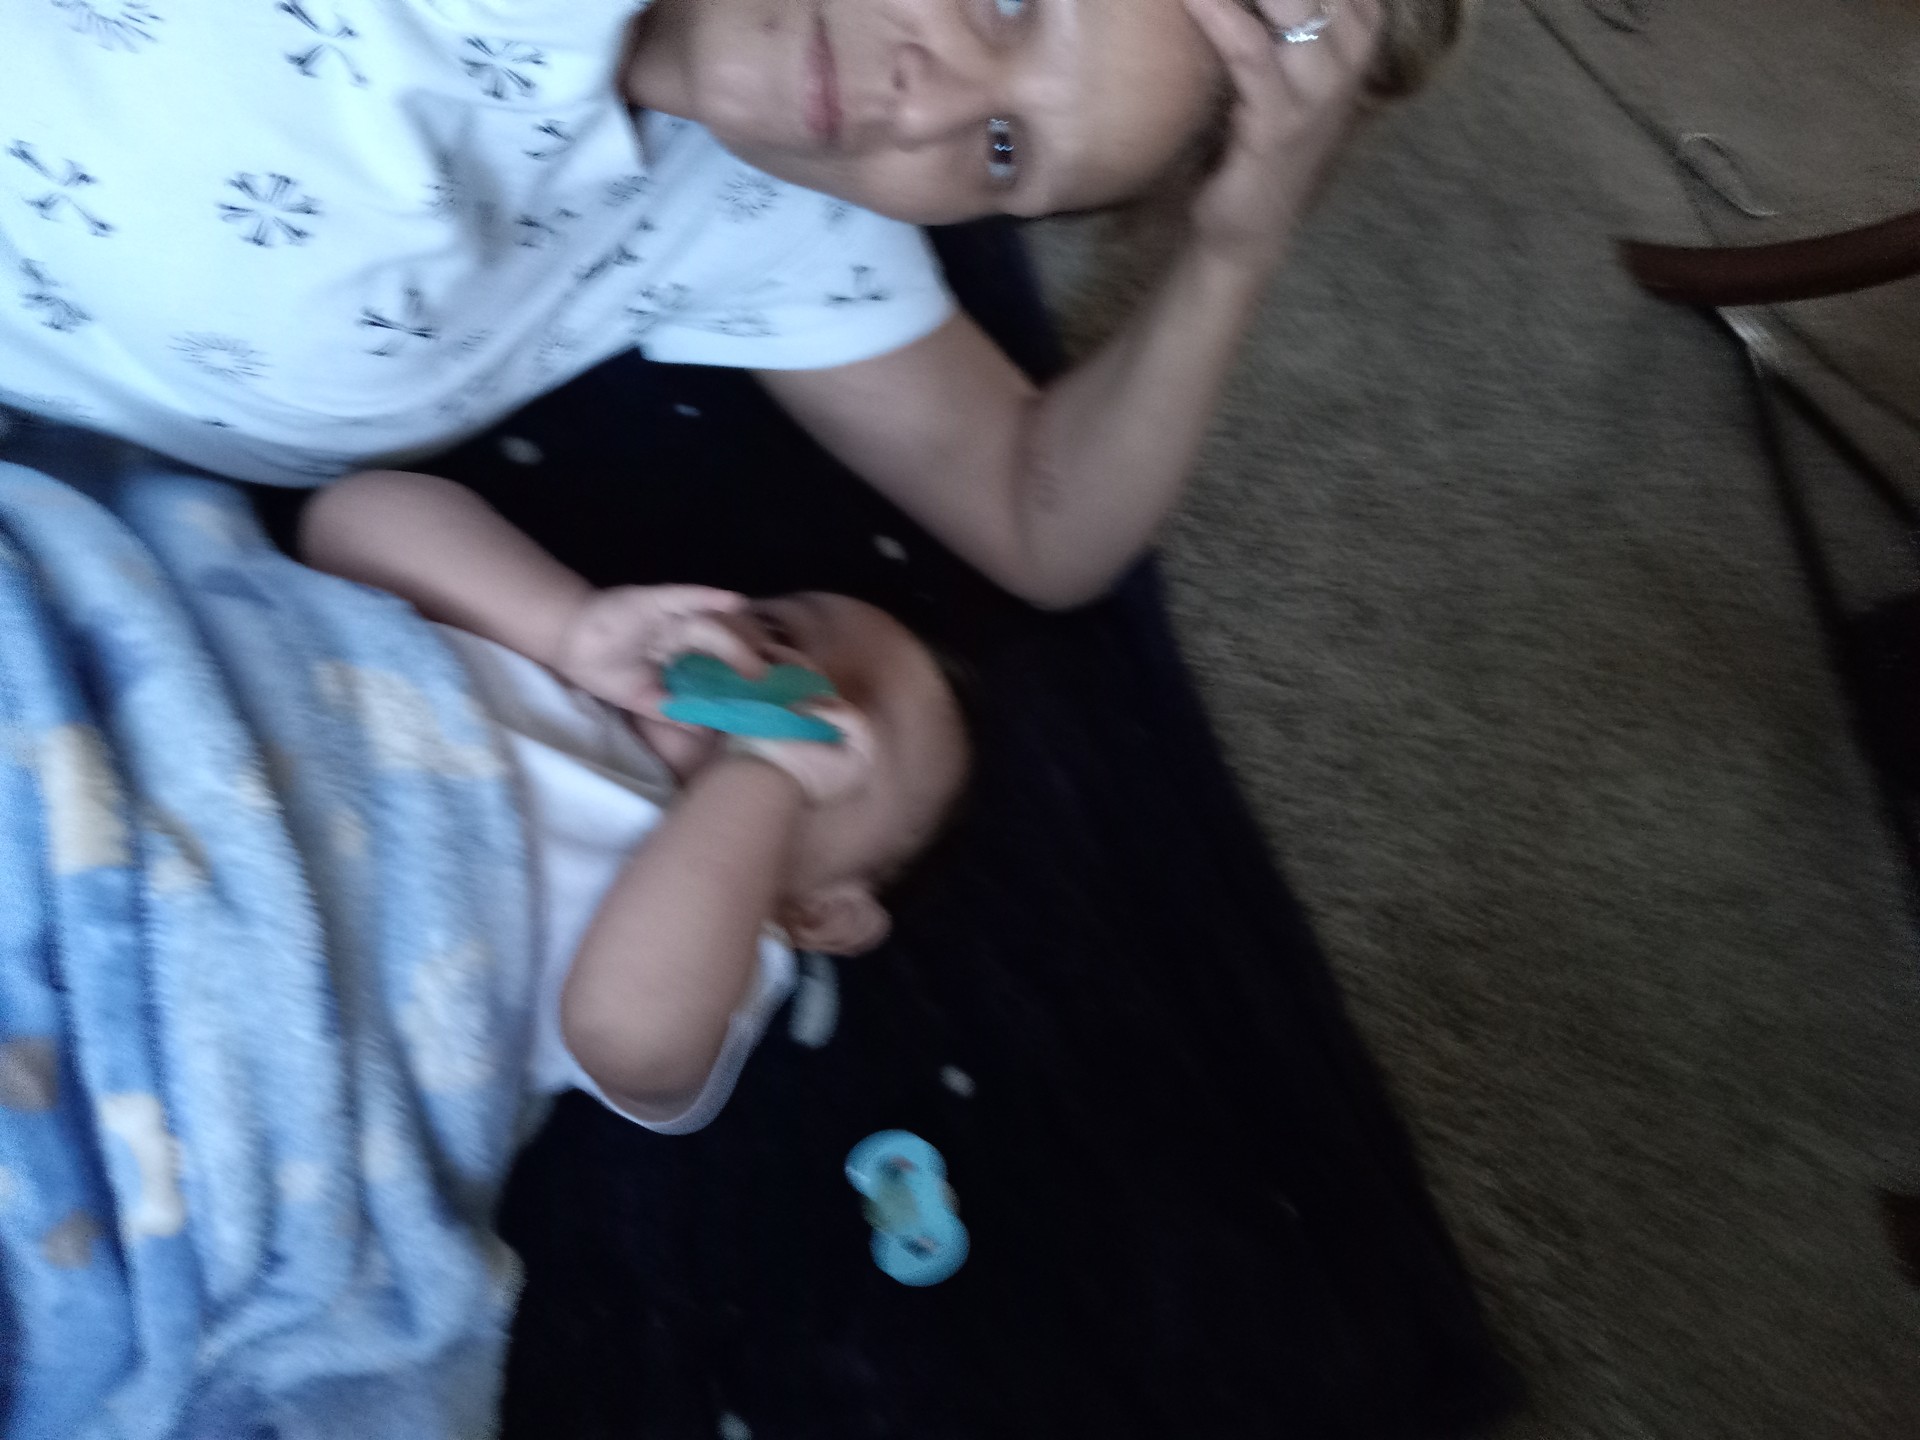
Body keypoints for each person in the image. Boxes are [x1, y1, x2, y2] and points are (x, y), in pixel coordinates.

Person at [2, 0, 1464, 608]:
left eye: (1006, 154)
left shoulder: (760, 213)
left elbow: (1044, 524)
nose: (928, 104)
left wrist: (1236, 245)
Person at [298, 466, 971, 1129]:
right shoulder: (559, 663)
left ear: (821, 914)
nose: (785, 682)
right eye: (778, 631)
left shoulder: (726, 952)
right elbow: (343, 522)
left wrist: (764, 773)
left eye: (840, 725)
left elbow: (629, 1043)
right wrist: (567, 627)